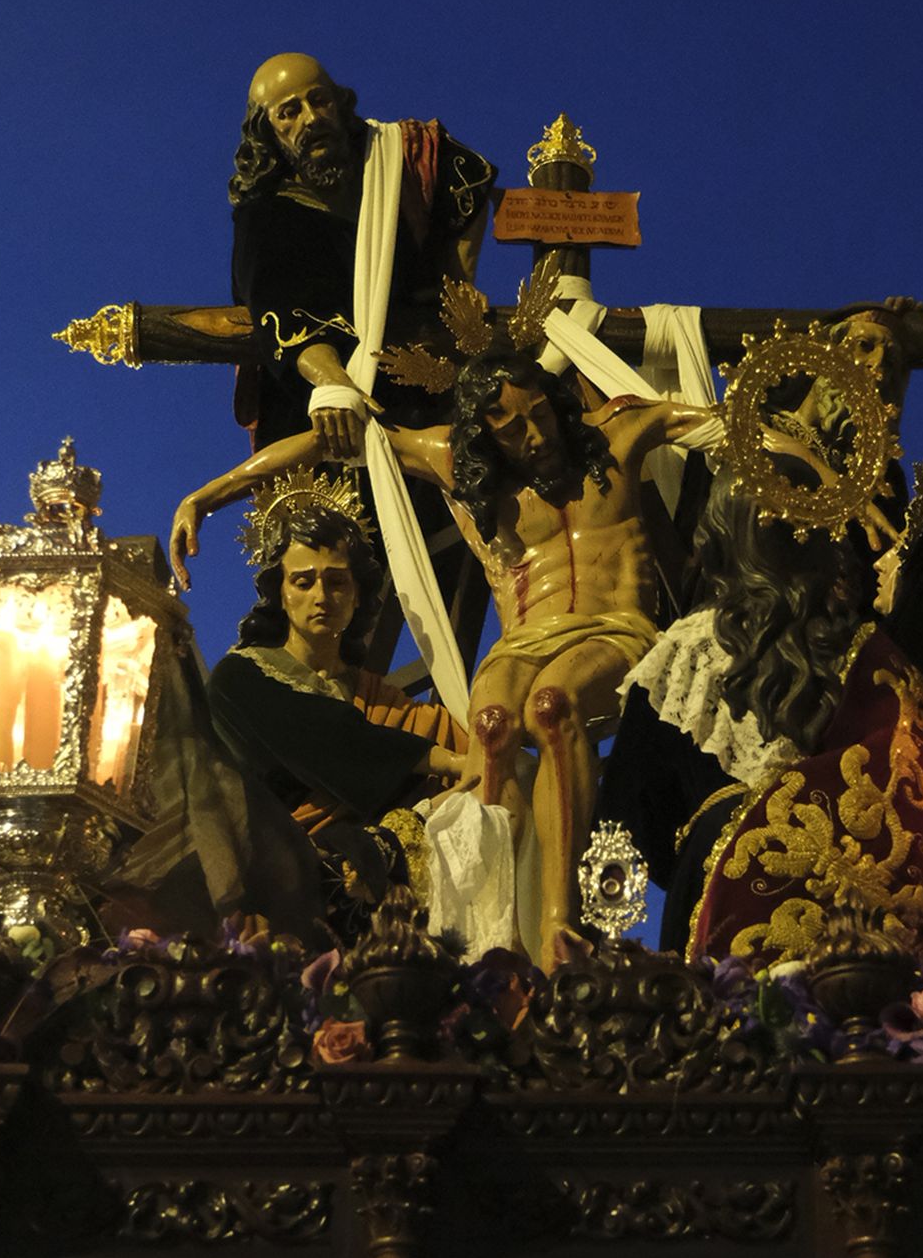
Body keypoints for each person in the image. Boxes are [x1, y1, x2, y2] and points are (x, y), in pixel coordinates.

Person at [172, 339, 721, 968]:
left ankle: (557, 923)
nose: (535, 436)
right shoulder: (458, 467)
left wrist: (815, 470)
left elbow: (717, 424)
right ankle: (497, 935)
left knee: (551, 705)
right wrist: (206, 496)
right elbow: (335, 438)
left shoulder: (616, 435)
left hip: (611, 625)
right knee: (490, 733)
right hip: (523, 637)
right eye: (510, 429)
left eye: (540, 414)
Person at [596, 473, 923, 960]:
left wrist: (707, 838)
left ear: (721, 539)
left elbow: (626, 824)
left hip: (717, 896)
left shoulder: (682, 658)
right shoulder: (868, 650)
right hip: (862, 934)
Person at [205, 483, 475, 927]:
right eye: (303, 580)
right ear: (279, 591)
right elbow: (327, 741)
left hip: (386, 893)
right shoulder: (240, 679)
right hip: (287, 888)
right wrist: (449, 761)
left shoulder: (380, 698)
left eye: (336, 581)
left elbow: (462, 749)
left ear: (357, 594)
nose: (320, 596)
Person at [228, 53, 496, 458]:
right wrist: (333, 382)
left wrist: (457, 282)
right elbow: (281, 311)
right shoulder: (266, 218)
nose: (311, 118)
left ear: (339, 102)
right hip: (321, 416)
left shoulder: (393, 163)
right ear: (267, 132)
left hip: (423, 402)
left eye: (319, 100)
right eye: (289, 112)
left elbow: (468, 177)